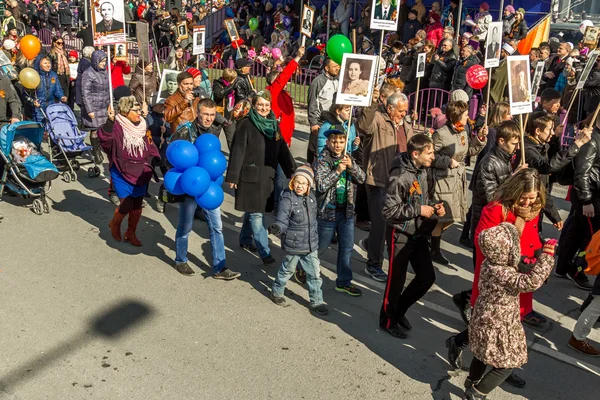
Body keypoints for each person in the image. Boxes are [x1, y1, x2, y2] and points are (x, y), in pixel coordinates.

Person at [447, 168, 550, 389]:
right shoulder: (496, 209)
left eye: (533, 198)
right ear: (515, 190)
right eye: (525, 197)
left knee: (509, 325)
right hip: (499, 275)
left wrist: (540, 256)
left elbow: (532, 236)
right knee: (491, 325)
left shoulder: (533, 208)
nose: (529, 202)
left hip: (523, 271)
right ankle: (465, 347)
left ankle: (501, 361)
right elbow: (482, 241)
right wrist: (516, 260)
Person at [466, 223, 555, 399]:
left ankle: (471, 381)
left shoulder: (489, 262)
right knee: (507, 364)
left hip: (484, 316)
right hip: (501, 322)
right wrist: (547, 257)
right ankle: (476, 394)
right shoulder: (504, 272)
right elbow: (531, 283)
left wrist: (523, 263)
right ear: (507, 249)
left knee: (483, 354)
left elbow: (512, 272)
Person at [380, 134, 445, 338]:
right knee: (395, 282)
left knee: (427, 276)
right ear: (415, 154)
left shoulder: (423, 171)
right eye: (430, 153)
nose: (433, 156)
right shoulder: (400, 175)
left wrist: (434, 207)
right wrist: (419, 209)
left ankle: (399, 311)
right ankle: (387, 320)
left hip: (418, 232)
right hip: (399, 233)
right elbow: (388, 210)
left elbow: (424, 198)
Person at [171, 98, 241, 280]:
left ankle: (220, 267)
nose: (209, 118)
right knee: (185, 226)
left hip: (208, 188)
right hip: (189, 186)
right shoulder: (186, 130)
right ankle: (180, 260)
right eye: (205, 115)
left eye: (212, 115)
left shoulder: (213, 131)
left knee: (217, 227)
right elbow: (172, 154)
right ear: (198, 113)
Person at [225, 91, 296, 265]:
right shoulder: (246, 125)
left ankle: (245, 238)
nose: (264, 108)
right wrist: (233, 176)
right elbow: (238, 151)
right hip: (249, 177)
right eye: (260, 105)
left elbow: (282, 151)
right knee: (257, 214)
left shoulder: (273, 124)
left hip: (267, 177)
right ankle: (265, 252)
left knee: (253, 209)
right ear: (254, 106)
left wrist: (293, 171)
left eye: (267, 105)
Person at [357, 92, 413, 282]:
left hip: (398, 182)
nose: (403, 114)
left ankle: (370, 244)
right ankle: (373, 264)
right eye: (400, 110)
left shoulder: (405, 125)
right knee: (380, 225)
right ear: (390, 108)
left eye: (405, 110)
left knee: (391, 225)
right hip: (378, 180)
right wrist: (370, 105)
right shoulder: (379, 120)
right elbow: (364, 126)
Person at [430, 101, 487, 264]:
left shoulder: (463, 132)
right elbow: (431, 156)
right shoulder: (441, 134)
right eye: (465, 114)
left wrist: (480, 139)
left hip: (457, 180)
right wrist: (447, 161)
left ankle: (430, 239)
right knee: (443, 216)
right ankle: (434, 249)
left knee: (453, 216)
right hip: (444, 180)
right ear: (457, 116)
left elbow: (468, 151)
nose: (468, 117)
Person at [269, 164, 328, 316]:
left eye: (304, 183)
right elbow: (282, 219)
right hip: (294, 244)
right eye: (297, 182)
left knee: (315, 273)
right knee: (287, 270)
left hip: (310, 244)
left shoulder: (312, 198)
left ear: (309, 185)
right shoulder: (287, 199)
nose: (300, 186)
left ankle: (317, 301)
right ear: (292, 182)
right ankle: (277, 290)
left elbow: (315, 217)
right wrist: (277, 227)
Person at [314, 126, 366, 296]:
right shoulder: (323, 159)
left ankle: (343, 281)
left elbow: (362, 178)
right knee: (321, 246)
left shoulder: (347, 157)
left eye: (341, 141)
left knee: (346, 248)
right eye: (334, 141)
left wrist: (351, 166)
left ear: (346, 142)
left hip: (347, 212)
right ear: (328, 142)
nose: (337, 145)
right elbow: (321, 185)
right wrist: (337, 171)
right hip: (328, 212)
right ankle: (303, 267)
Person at [101, 96, 159, 247]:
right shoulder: (117, 125)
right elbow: (106, 141)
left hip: (140, 170)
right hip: (121, 170)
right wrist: (109, 121)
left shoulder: (143, 124)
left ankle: (131, 232)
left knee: (137, 205)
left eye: (140, 109)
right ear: (126, 111)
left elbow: (150, 143)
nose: (139, 112)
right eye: (135, 110)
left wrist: (155, 158)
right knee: (126, 204)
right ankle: (115, 224)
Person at [556, 115, 600, 290]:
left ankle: (563, 266)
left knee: (577, 232)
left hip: (591, 195)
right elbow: (582, 174)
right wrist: (586, 200)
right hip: (590, 196)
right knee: (591, 237)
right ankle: (578, 268)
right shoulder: (592, 142)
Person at [307, 58, 340, 164]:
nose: (337, 68)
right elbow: (312, 102)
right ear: (326, 68)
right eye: (335, 66)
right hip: (320, 123)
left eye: (338, 66)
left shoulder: (338, 81)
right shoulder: (318, 81)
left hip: (334, 123)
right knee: (315, 153)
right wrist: (314, 122)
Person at [82, 50, 110, 164]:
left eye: (105, 61)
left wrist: (110, 103)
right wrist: (90, 110)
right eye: (101, 61)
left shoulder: (105, 72)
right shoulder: (88, 74)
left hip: (103, 105)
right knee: (94, 130)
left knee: (103, 129)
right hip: (93, 106)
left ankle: (101, 146)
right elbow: (85, 93)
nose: (103, 63)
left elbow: (109, 89)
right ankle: (96, 151)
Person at [26, 55, 67, 124]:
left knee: (52, 127)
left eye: (49, 63)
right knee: (39, 128)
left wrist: (61, 96)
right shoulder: (34, 76)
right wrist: (33, 102)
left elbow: (58, 89)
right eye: (45, 63)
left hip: (51, 106)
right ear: (39, 64)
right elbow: (26, 94)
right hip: (39, 107)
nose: (48, 65)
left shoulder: (53, 75)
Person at [212, 68, 238, 149]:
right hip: (219, 115)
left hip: (229, 115)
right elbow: (219, 94)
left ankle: (233, 159)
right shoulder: (217, 83)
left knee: (232, 141)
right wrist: (231, 86)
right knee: (214, 140)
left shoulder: (234, 86)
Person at [47, 36, 71, 101]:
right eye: (58, 43)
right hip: (56, 76)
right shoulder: (51, 54)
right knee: (56, 95)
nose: (61, 45)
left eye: (62, 43)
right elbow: (49, 68)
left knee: (66, 95)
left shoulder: (65, 53)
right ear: (54, 43)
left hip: (65, 76)